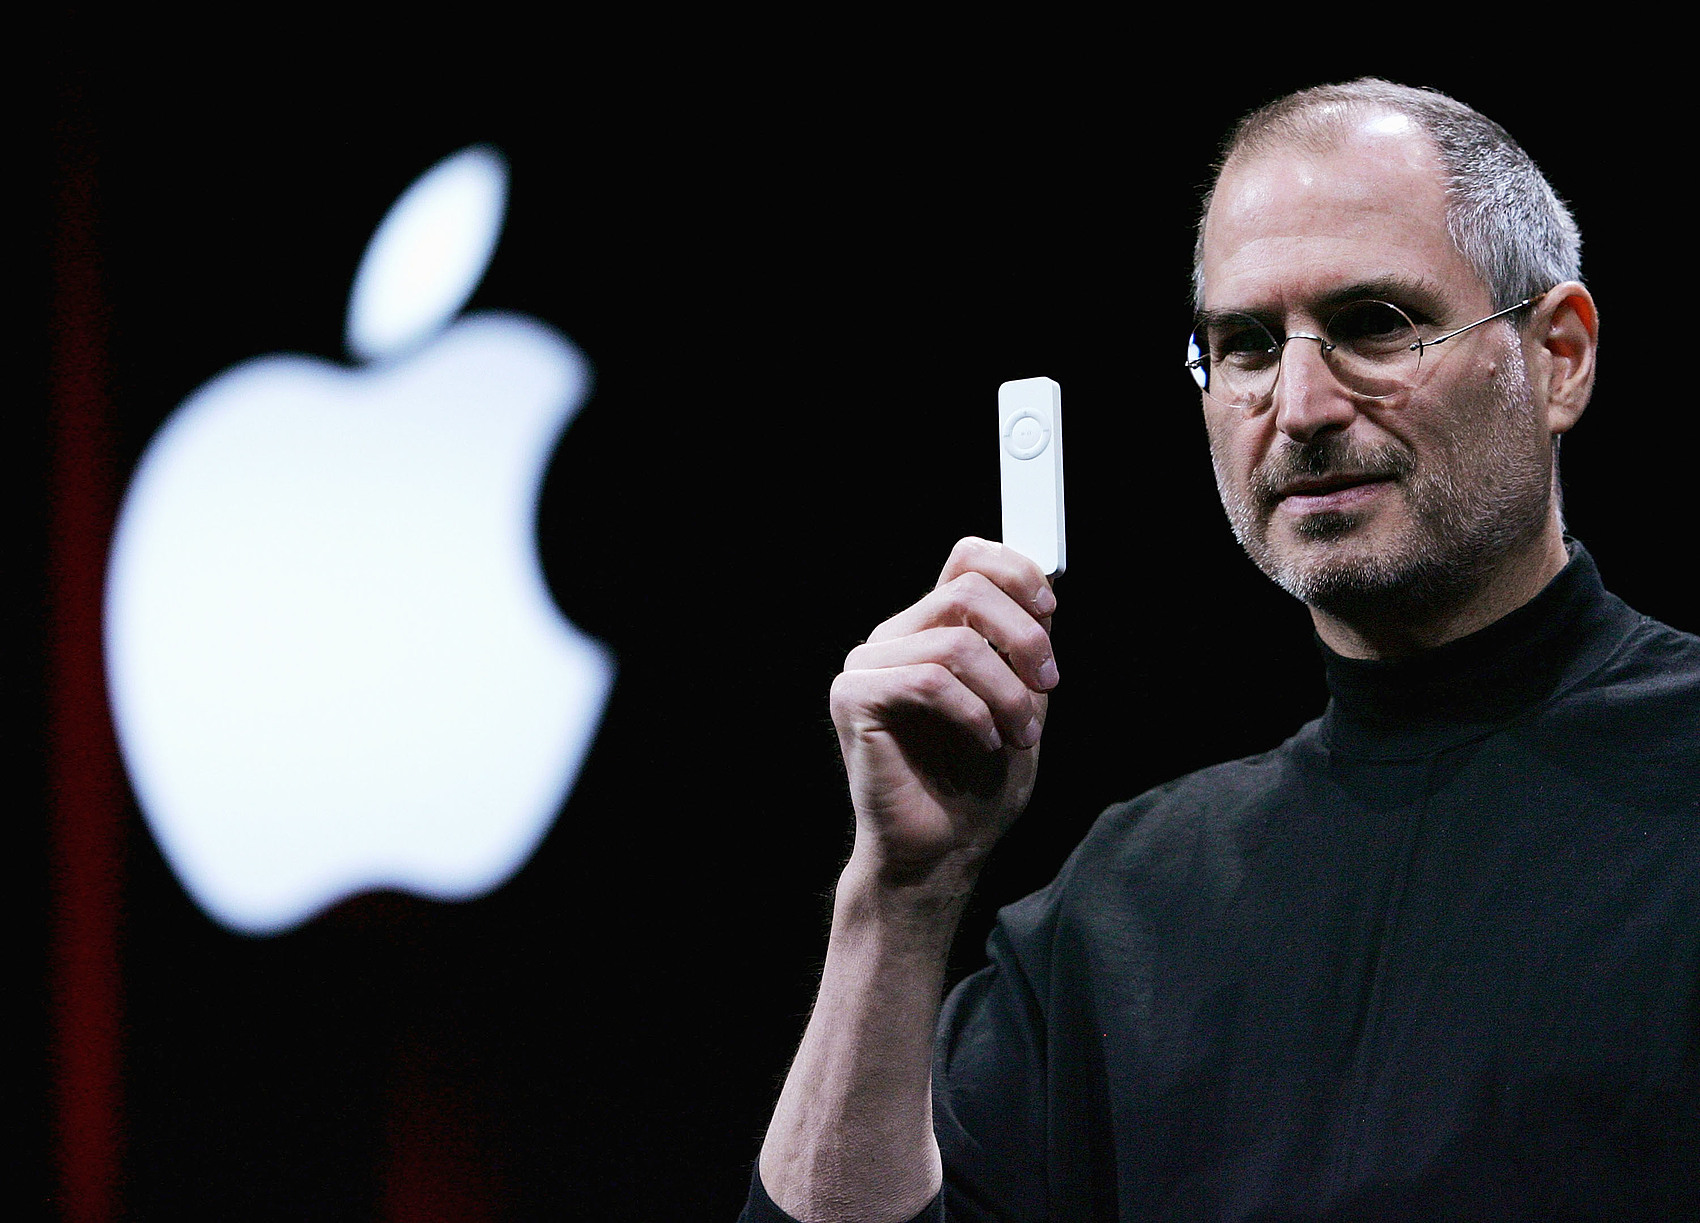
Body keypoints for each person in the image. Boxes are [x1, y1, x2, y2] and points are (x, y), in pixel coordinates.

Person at [742, 79, 1700, 1221]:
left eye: (1372, 324)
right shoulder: (1123, 908)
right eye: (1242, 345)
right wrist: (895, 900)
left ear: (1557, 357)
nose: (1297, 406)